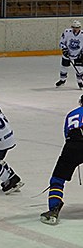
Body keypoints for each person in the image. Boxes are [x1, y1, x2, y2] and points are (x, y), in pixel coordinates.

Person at [41, 95, 83, 224]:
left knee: (57, 179)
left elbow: (66, 134)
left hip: (72, 146)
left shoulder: (72, 113)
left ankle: (53, 209)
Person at [55, 20, 83, 88]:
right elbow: (62, 42)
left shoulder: (82, 35)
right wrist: (64, 50)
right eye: (74, 27)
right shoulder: (67, 32)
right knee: (64, 67)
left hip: (78, 54)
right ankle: (62, 80)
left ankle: (80, 82)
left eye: (76, 27)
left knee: (79, 69)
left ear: (79, 27)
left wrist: (82, 53)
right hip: (67, 54)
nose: (75, 29)